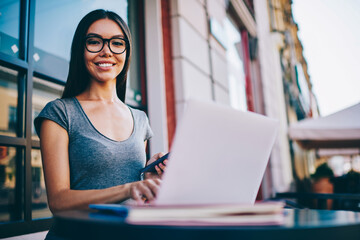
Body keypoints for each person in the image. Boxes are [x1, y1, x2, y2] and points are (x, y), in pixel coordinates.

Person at [34, 9, 166, 239]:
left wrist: (148, 181)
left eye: (117, 43)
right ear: (80, 50)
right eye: (94, 42)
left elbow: (132, 191)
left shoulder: (140, 119)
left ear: (126, 52)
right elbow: (59, 201)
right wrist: (129, 188)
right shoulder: (60, 113)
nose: (106, 51)